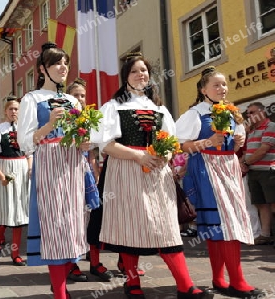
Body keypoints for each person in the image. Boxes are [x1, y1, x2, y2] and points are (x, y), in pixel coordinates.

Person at [91, 52, 212, 299]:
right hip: (125, 170)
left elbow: (171, 141)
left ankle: (185, 285)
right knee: (129, 226)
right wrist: (138, 156)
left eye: (144, 71)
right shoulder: (113, 106)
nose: (140, 75)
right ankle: (132, 282)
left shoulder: (159, 108)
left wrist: (164, 156)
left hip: (157, 172)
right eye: (135, 71)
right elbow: (106, 145)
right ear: (126, 76)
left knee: (166, 227)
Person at [176, 66, 264, 298]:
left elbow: (233, 147)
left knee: (224, 224)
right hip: (207, 168)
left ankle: (220, 279)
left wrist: (236, 142)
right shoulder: (195, 114)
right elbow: (182, 146)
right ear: (203, 89)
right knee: (222, 225)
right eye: (216, 85)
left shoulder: (232, 112)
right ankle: (236, 281)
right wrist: (208, 141)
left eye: (224, 84)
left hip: (229, 168)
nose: (222, 88)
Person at [17, 42, 89, 299]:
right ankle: (60, 292)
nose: (63, 67)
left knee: (72, 223)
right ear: (42, 69)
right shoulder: (31, 99)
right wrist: (48, 125)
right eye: (56, 63)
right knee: (54, 225)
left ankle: (62, 279)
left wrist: (88, 140)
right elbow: (25, 141)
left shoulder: (72, 100)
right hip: (48, 161)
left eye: (65, 63)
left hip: (73, 162)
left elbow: (83, 136)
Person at [65, 78, 114, 283]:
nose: (80, 99)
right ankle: (71, 264)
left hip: (87, 173)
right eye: (75, 95)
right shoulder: (64, 119)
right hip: (68, 172)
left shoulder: (90, 118)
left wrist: (96, 175)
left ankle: (94, 262)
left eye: (82, 95)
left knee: (93, 219)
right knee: (72, 220)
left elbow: (94, 153)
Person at [0, 96, 31, 266]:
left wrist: (30, 169)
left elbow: (29, 153)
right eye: (11, 109)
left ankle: (15, 253)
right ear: (5, 111)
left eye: (17, 109)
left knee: (19, 214)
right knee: (6, 211)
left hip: (23, 172)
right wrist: (1, 176)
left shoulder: (25, 130)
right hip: (6, 171)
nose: (14, 112)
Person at [241, 102, 275, 245]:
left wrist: (246, 163)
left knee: (273, 203)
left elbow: (263, 149)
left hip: (268, 171)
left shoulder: (271, 126)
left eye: (252, 112)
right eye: (248, 113)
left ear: (262, 113)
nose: (249, 115)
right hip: (254, 172)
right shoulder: (252, 130)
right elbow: (247, 152)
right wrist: (240, 163)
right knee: (261, 204)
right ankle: (265, 235)